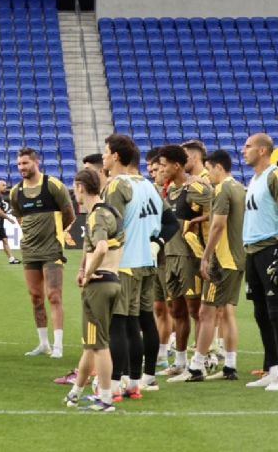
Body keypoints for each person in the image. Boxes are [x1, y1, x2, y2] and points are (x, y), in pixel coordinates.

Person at [102, 135, 179, 399]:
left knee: (119, 324)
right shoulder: (149, 186)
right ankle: (138, 381)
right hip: (148, 263)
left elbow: (111, 227)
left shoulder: (117, 186)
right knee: (140, 321)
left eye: (105, 152)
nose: (103, 157)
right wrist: (157, 242)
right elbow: (171, 221)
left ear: (115, 156)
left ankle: (113, 385)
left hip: (125, 263)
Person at [63, 169, 124, 412]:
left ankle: (106, 398)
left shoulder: (97, 216)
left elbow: (99, 248)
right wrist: (82, 268)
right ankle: (76, 392)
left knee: (99, 345)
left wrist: (88, 273)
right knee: (91, 343)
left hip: (99, 284)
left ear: (80, 187)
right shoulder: (113, 212)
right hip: (113, 280)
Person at [241, 133, 278, 392]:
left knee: (277, 311)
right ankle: (271, 368)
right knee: (261, 313)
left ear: (263, 150)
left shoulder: (277, 176)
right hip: (252, 251)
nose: (244, 150)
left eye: (249, 146)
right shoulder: (254, 179)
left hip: (271, 249)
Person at [9, 148, 76, 359]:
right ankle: (43, 344)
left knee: (54, 296)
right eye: (19, 164)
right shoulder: (15, 192)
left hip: (52, 249)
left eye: (25, 163)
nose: (21, 168)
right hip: (29, 251)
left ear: (36, 163)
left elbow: (70, 214)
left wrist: (55, 232)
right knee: (36, 297)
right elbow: (21, 219)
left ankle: (58, 345)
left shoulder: (53, 185)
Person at [158, 145, 212, 379]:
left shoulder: (197, 187)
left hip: (190, 257)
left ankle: (200, 360)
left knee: (195, 310)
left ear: (176, 166)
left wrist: (199, 219)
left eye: (164, 165)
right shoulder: (169, 191)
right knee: (176, 310)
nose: (161, 169)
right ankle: (180, 362)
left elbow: (220, 207)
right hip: (169, 257)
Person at [191, 149, 245, 382]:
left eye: (210, 169)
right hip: (238, 258)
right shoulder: (240, 188)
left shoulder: (222, 189)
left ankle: (197, 365)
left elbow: (219, 225)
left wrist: (206, 256)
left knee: (207, 312)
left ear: (218, 167)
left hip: (222, 260)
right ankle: (230, 365)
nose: (208, 175)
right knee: (227, 312)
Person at [146, 146, 173, 369]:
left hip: (172, 257)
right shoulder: (152, 192)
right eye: (152, 171)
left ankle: (169, 349)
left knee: (174, 307)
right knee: (158, 307)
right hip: (155, 257)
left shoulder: (177, 190)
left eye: (157, 169)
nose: (154, 174)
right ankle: (161, 352)